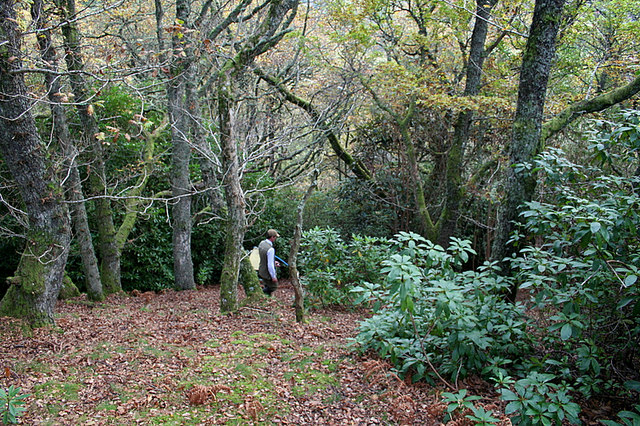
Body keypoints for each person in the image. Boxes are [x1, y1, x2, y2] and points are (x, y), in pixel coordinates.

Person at [258, 229, 280, 296]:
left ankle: (266, 298)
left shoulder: (262, 243)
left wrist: (273, 262)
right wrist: (273, 277)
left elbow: (265, 258)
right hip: (267, 273)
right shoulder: (270, 249)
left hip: (261, 270)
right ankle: (260, 293)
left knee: (266, 285)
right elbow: (270, 265)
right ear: (272, 237)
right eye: (275, 237)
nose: (275, 239)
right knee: (273, 287)